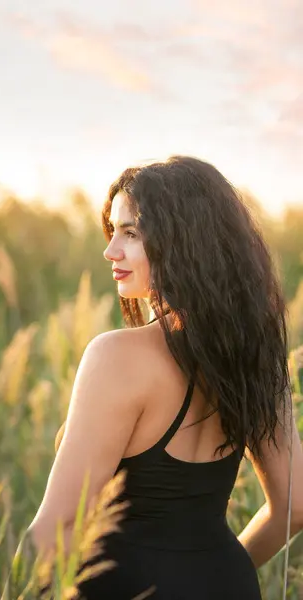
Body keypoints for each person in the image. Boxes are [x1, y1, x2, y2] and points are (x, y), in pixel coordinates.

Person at [28, 156, 303, 599]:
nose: (110, 250)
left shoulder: (116, 357)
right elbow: (295, 506)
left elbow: (52, 531)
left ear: (183, 243)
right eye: (113, 230)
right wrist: (211, 576)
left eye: (131, 233)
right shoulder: (257, 358)